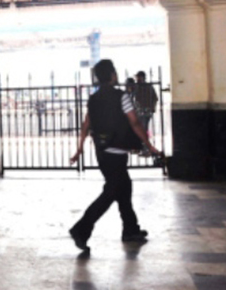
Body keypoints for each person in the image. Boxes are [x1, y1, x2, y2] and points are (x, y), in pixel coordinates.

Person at [68, 60, 160, 251]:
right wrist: (149, 144)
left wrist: (79, 148)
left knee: (124, 187)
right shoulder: (122, 96)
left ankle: (130, 229)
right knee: (111, 192)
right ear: (113, 75)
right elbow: (134, 123)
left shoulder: (93, 99)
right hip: (117, 151)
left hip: (102, 152)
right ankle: (81, 229)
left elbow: (86, 125)